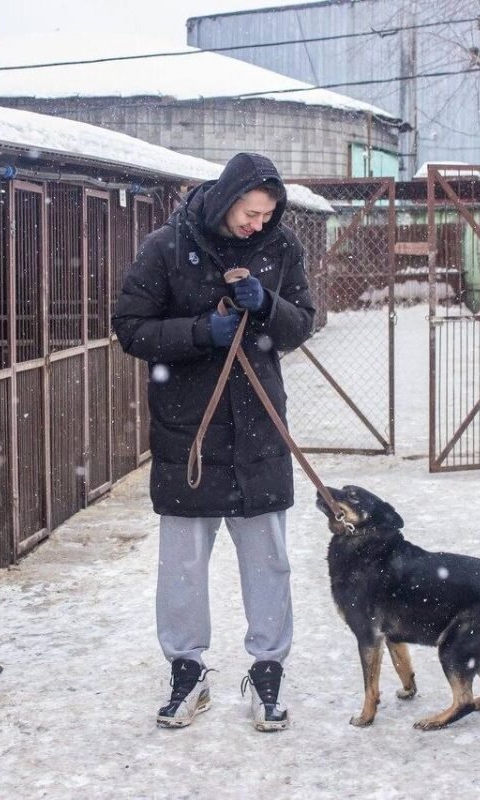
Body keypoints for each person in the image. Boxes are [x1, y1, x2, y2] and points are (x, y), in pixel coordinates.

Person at [111, 152, 316, 732]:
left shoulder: (281, 247)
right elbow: (130, 328)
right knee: (181, 566)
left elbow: (303, 321)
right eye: (250, 213)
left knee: (269, 561)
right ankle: (186, 668)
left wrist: (268, 306)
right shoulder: (166, 247)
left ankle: (268, 669)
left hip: (259, 430)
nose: (258, 224)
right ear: (227, 200)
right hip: (189, 433)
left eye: (266, 215)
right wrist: (202, 331)